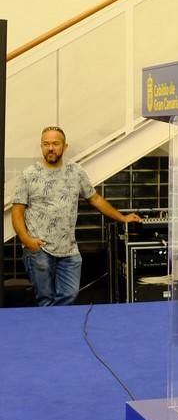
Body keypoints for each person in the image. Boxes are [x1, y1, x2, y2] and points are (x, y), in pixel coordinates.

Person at [11, 126, 142, 306]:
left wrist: (123, 218)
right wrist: (26, 239)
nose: (50, 148)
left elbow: (94, 198)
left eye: (55, 144)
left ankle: (55, 327)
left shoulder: (76, 172)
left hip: (69, 249)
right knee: (45, 299)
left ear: (65, 147)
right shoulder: (28, 175)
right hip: (39, 249)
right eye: (46, 144)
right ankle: (54, 333)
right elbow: (17, 210)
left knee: (69, 294)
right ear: (41, 146)